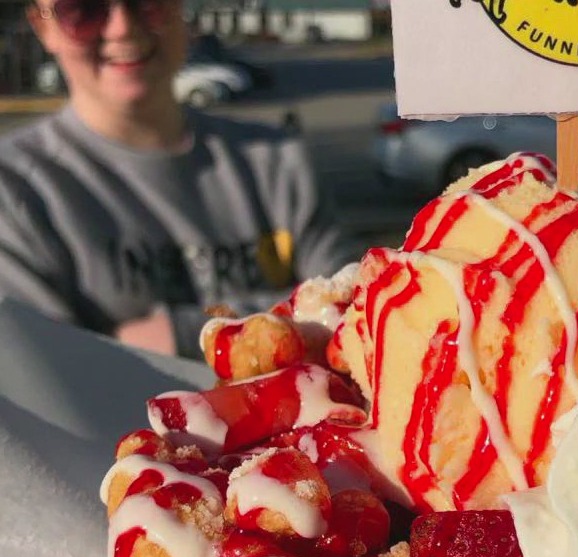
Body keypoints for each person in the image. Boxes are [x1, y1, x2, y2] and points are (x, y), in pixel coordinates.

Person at [0, 0, 362, 358]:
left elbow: (355, 315)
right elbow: (50, 369)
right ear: (44, 27)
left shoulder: (277, 160)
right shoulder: (16, 188)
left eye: (147, 4)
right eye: (83, 10)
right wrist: (282, 319)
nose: (122, 27)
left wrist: (181, 334)